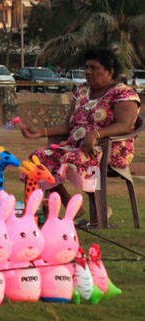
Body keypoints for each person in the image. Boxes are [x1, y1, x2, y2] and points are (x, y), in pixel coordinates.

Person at [22, 47, 140, 220]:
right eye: (87, 68)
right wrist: (40, 132)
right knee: (37, 159)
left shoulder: (122, 93)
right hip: (76, 147)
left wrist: (95, 135)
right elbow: (70, 125)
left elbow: (125, 125)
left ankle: (99, 207)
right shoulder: (82, 92)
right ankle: (72, 206)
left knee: (72, 159)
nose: (88, 72)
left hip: (109, 149)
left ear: (110, 71)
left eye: (94, 68)